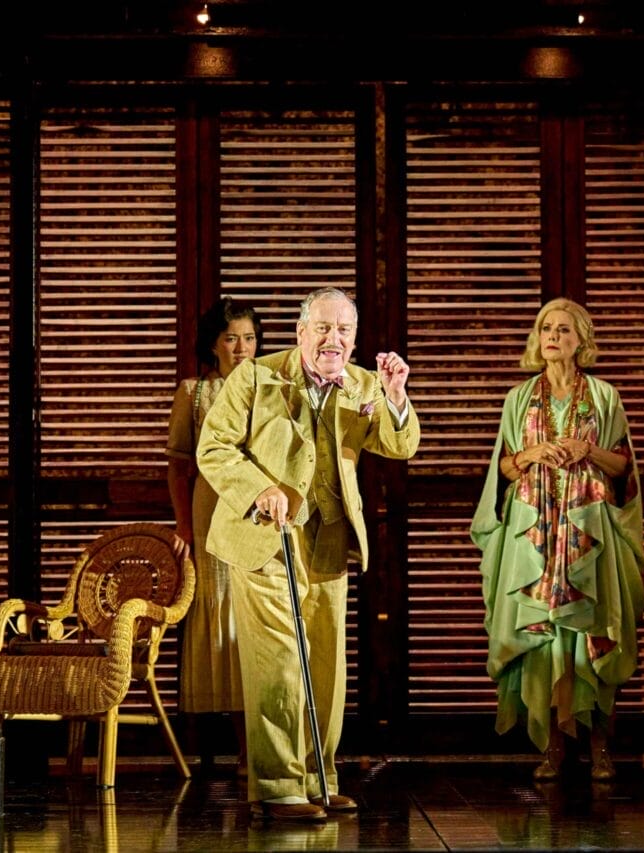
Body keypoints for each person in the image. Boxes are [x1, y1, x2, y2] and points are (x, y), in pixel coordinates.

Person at [196, 286, 420, 822]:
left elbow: (400, 445)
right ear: (300, 333)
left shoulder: (363, 383)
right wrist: (259, 489)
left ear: (354, 338)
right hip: (265, 539)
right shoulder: (255, 377)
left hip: (329, 538)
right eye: (322, 328)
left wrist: (395, 396)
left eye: (343, 330)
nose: (332, 340)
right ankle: (278, 787)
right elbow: (213, 447)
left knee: (325, 663)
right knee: (277, 660)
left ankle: (319, 779)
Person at [471, 298, 644, 782]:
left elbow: (623, 468)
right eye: (546, 328)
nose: (553, 336)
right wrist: (531, 454)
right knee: (543, 634)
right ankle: (551, 748)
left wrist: (587, 450)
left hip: (588, 532)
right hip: (535, 531)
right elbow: (504, 470)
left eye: (564, 329)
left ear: (581, 339)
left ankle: (601, 746)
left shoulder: (605, 396)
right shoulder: (519, 398)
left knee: (592, 632)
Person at [166, 296, 262, 775]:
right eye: (231, 339)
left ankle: (264, 750)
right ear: (213, 344)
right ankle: (237, 747)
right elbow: (178, 466)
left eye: (249, 338)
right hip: (212, 512)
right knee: (222, 617)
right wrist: (184, 524)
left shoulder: (272, 387)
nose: (242, 348)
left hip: (261, 509)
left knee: (259, 621)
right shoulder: (194, 393)